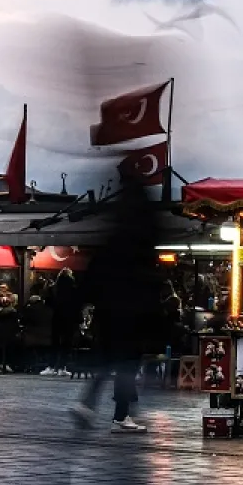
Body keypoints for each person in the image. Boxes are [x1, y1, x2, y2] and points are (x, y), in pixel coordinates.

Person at [72, 172, 164, 432]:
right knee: (126, 364)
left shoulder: (113, 233)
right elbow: (149, 279)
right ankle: (122, 415)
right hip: (133, 312)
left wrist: (84, 302)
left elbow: (93, 273)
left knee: (107, 361)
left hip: (108, 310)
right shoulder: (143, 238)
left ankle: (89, 404)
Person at [41, 268, 82, 376]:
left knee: (55, 342)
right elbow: (78, 305)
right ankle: (62, 367)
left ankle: (51, 366)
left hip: (57, 317)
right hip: (69, 318)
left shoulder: (54, 288)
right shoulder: (74, 288)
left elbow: (48, 302)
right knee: (66, 343)